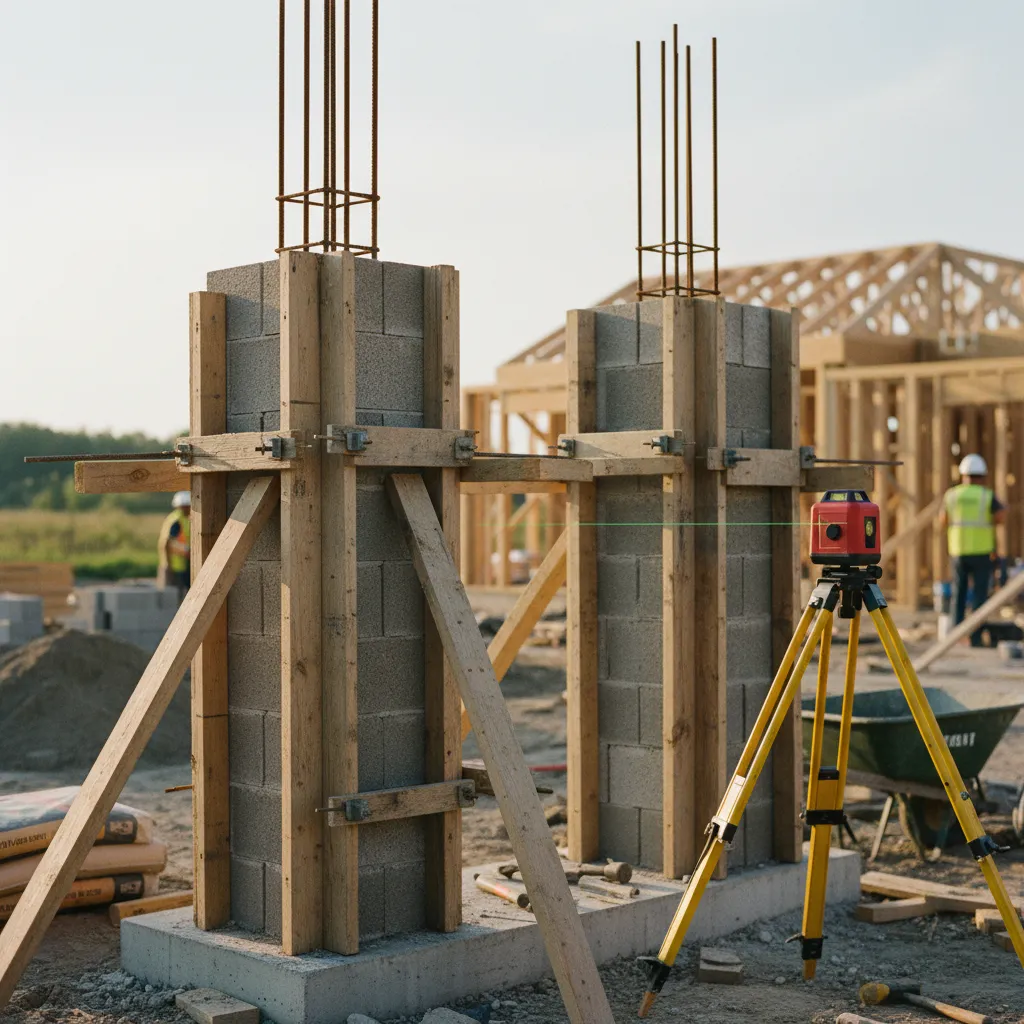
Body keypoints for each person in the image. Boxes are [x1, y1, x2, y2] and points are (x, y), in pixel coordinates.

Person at [938, 454, 1005, 645]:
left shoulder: (952, 495)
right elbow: (1000, 517)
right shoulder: (986, 495)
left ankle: (958, 634)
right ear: (982, 476)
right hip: (982, 551)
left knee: (958, 593)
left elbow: (942, 520)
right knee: (980, 595)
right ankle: (975, 636)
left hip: (958, 550)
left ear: (963, 475)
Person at [158, 491, 191, 602]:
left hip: (185, 564)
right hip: (178, 566)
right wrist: (168, 566)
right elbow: (169, 543)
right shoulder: (176, 521)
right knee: (180, 598)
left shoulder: (185, 518)